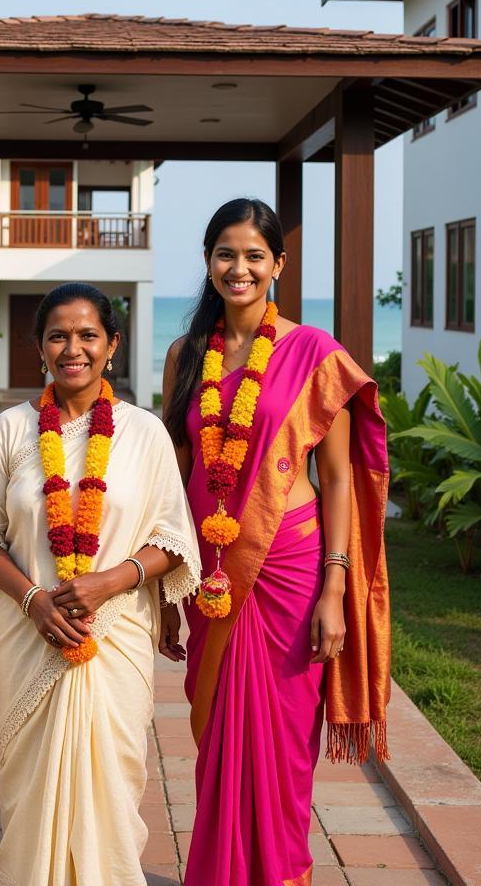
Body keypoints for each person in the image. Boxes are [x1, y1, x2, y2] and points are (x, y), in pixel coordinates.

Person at [160, 199, 391, 886]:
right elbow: (176, 474)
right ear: (208, 262)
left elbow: (341, 480)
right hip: (209, 569)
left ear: (278, 266)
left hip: (290, 569)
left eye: (254, 255)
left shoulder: (315, 353)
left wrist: (336, 589)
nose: (239, 267)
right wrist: (165, 583)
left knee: (286, 746)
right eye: (226, 253)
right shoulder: (185, 354)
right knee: (217, 746)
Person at [0, 283, 200, 886]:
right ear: (39, 347)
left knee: (113, 786)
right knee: (30, 790)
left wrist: (111, 582)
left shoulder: (143, 433)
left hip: (115, 636)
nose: (74, 348)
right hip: (27, 634)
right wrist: (34, 600)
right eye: (58, 336)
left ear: (112, 345)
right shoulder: (13, 430)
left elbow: (175, 538)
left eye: (88, 334)